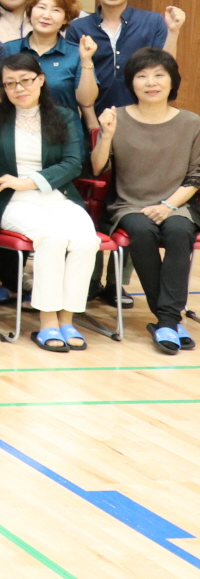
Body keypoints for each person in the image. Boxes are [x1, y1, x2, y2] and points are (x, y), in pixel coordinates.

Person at [0, 56, 96, 351]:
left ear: (40, 80)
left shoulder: (62, 116)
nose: (18, 88)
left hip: (55, 195)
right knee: (51, 237)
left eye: (25, 80)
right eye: (10, 83)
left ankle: (67, 320)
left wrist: (29, 181)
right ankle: (47, 321)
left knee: (86, 240)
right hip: (10, 199)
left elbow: (73, 163)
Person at [91, 47, 200, 354]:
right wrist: (106, 135)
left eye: (159, 75)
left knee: (179, 231)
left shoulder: (192, 122)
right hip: (129, 204)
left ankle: (166, 321)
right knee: (141, 229)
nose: (151, 82)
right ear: (131, 82)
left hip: (178, 204)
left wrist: (168, 206)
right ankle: (169, 321)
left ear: (172, 81)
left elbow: (196, 176)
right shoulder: (117, 117)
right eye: (142, 76)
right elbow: (98, 168)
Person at [66, 0, 186, 110]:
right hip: (97, 116)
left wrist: (173, 32)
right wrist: (92, 122)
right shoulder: (78, 28)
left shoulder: (152, 22)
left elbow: (165, 69)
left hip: (144, 115)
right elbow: (75, 83)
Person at [22, 0, 99, 142]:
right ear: (30, 11)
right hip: (19, 137)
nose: (46, 15)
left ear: (65, 18)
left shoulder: (76, 53)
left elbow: (87, 101)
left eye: (56, 10)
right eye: (41, 7)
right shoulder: (9, 50)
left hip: (65, 140)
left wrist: (86, 60)